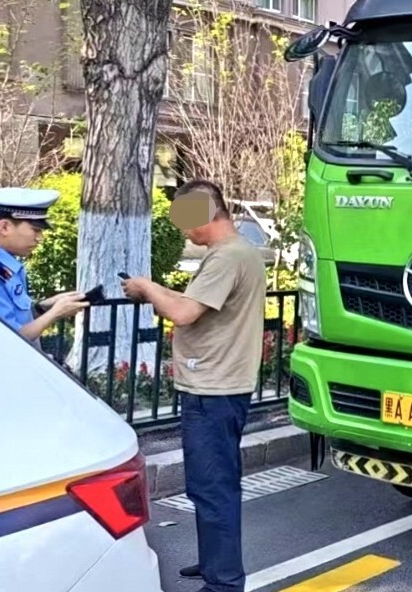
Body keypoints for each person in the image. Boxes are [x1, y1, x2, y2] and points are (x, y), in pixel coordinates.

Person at [121, 179, 266, 592]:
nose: (185, 231)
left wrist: (148, 288)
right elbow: (197, 304)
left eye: (187, 221)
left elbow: (184, 313)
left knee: (211, 486)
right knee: (212, 484)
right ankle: (214, 562)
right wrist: (154, 288)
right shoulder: (240, 253)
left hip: (212, 390)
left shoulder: (226, 258)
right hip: (223, 386)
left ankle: (223, 582)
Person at [0, 187, 88, 346]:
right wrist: (56, 313)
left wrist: (42, 308)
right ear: (4, 227)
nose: (39, 239)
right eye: (35, 230)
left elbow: (13, 317)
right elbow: (11, 339)